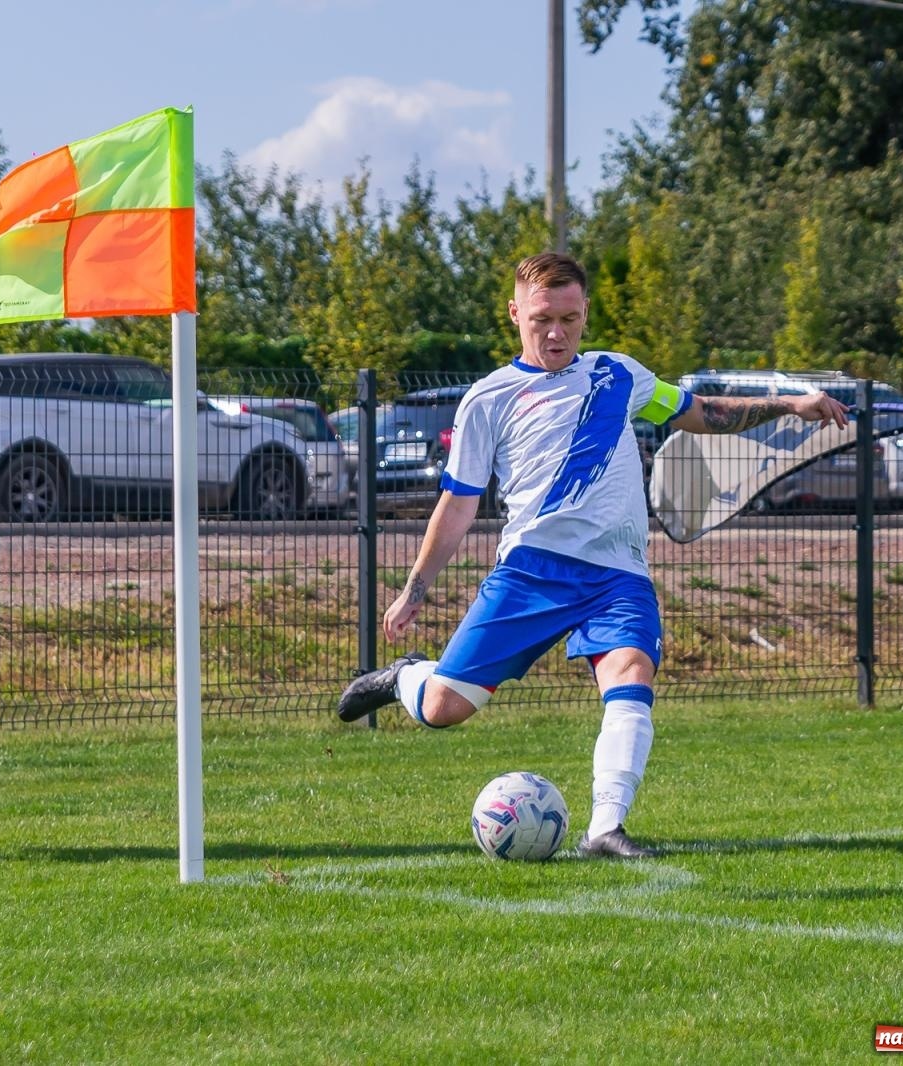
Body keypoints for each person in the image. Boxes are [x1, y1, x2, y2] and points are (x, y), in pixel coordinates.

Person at [336, 252, 848, 858]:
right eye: (543, 319)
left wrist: (791, 405)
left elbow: (701, 413)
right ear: (515, 313)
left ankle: (606, 827)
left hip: (618, 576)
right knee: (444, 708)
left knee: (632, 673)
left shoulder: (618, 375)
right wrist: (415, 587)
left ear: (585, 315)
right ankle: (406, 677)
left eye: (571, 319)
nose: (557, 333)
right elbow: (458, 503)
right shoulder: (488, 399)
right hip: (531, 573)